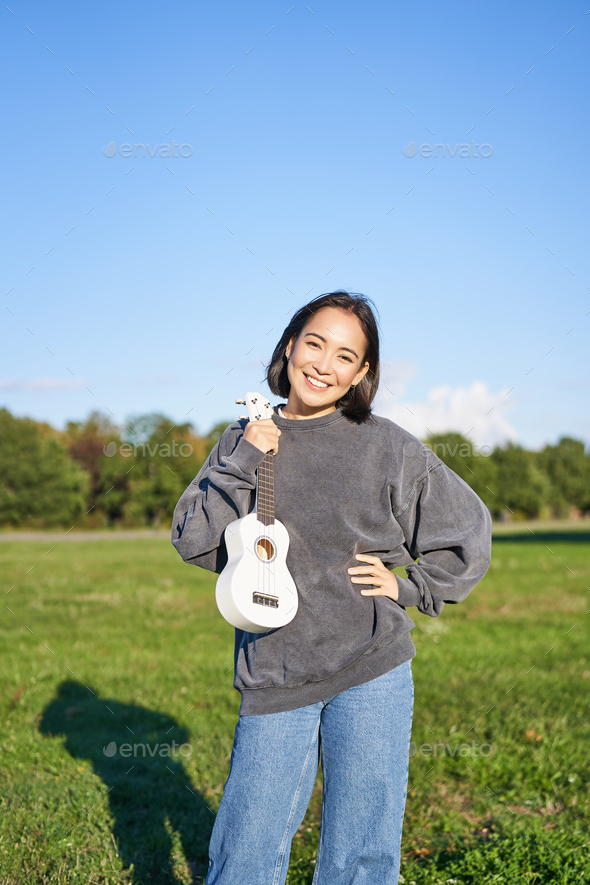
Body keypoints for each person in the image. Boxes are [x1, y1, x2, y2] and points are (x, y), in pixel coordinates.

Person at [171, 290, 492, 885]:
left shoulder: (387, 444)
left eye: (346, 356)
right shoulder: (244, 437)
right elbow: (193, 539)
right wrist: (241, 460)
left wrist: (413, 587)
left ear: (362, 373)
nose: (324, 364)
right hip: (275, 668)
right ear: (290, 346)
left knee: (362, 856)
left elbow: (466, 528)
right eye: (314, 344)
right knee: (247, 846)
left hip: (372, 668)